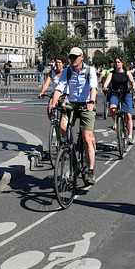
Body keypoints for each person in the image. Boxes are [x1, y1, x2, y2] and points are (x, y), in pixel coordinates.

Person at [50, 47, 99, 185]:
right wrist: (53, 104)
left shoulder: (90, 70)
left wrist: (91, 101)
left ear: (82, 57)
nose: (72, 59)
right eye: (70, 57)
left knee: (86, 138)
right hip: (72, 104)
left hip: (86, 104)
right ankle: (68, 149)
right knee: (62, 126)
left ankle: (90, 171)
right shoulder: (67, 71)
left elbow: (93, 88)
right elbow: (59, 88)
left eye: (75, 57)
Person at [102, 56, 135, 145]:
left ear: (122, 63)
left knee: (128, 115)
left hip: (125, 93)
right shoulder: (111, 73)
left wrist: (134, 86)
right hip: (114, 93)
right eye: (115, 62)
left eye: (118, 62)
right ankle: (116, 120)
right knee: (112, 109)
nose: (117, 64)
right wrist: (105, 87)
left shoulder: (127, 73)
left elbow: (132, 81)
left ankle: (130, 136)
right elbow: (107, 81)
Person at [38, 55, 67, 119]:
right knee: (50, 109)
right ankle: (54, 123)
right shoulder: (52, 73)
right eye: (56, 62)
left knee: (65, 109)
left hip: (64, 95)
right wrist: (42, 92)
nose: (57, 64)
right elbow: (46, 83)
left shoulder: (66, 73)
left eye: (59, 62)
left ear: (63, 64)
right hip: (55, 94)